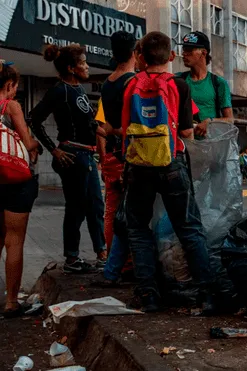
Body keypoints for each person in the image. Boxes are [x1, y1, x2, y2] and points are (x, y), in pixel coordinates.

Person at [122, 31, 214, 313]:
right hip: (171, 162)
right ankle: (208, 295)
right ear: (171, 56)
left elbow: (124, 129)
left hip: (138, 165)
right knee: (189, 229)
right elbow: (186, 131)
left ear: (139, 57)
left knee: (138, 229)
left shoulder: (131, 85)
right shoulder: (178, 86)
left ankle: (148, 296)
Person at [29, 44, 107, 273]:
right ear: (72, 68)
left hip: (86, 155)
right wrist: (54, 149)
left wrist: (108, 132)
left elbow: (88, 122)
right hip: (72, 155)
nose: (87, 66)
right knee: (77, 207)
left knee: (95, 204)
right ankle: (72, 258)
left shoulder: (78, 89)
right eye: (83, 63)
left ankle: (102, 252)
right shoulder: (60, 90)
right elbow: (34, 118)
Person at [93, 31, 138, 287]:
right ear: (134, 52)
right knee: (133, 213)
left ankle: (114, 263)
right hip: (129, 154)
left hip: (111, 154)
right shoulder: (133, 82)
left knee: (111, 211)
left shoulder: (108, 83)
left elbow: (106, 125)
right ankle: (129, 264)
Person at [0, 61, 41, 317]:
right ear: (9, 85)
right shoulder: (12, 105)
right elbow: (27, 142)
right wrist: (33, 144)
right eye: (14, 86)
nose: (15, 91)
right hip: (14, 182)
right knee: (14, 241)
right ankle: (12, 303)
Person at [177, 31, 233, 137]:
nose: (184, 54)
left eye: (189, 50)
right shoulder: (178, 80)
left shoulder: (218, 83)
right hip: (184, 147)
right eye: (184, 50)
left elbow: (230, 120)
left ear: (203, 52)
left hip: (210, 147)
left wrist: (210, 122)